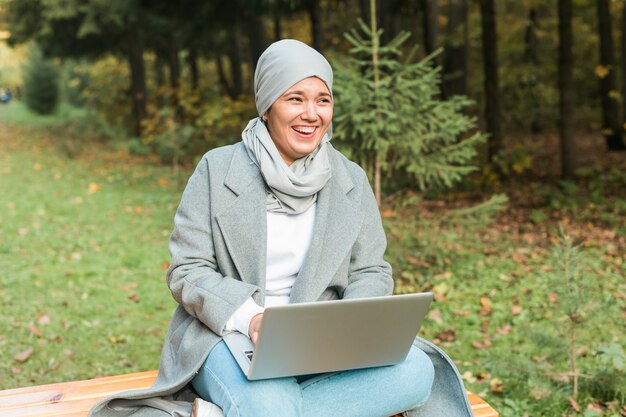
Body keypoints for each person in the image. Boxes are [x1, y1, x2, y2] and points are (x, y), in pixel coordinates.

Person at [89, 39, 474, 417]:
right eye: (295, 98)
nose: (312, 114)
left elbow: (371, 269)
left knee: (417, 372)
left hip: (324, 342)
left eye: (323, 100)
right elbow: (187, 271)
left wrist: (352, 327)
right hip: (229, 335)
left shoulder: (350, 179)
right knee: (270, 403)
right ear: (267, 106)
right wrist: (252, 317)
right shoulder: (217, 169)